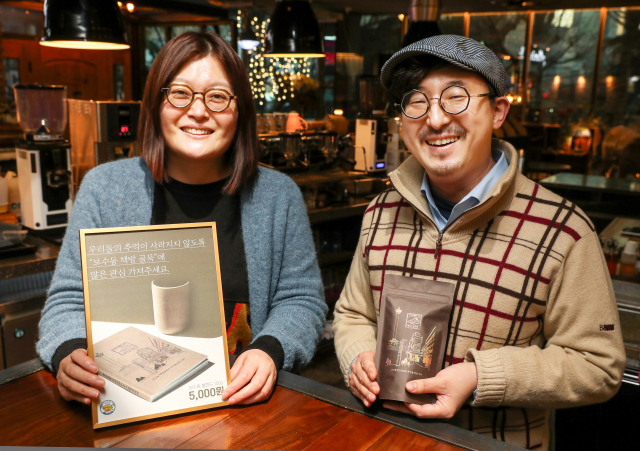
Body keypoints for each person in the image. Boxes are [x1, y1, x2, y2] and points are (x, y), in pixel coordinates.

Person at [332, 35, 625, 450]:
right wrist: (358, 357)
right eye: (416, 101)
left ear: (498, 111)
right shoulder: (380, 212)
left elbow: (598, 365)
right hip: (383, 438)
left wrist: (479, 376)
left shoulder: (564, 231)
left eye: (456, 98)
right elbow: (352, 313)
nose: (435, 119)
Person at [37, 32, 327, 407]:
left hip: (244, 407)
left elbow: (301, 300)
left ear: (240, 110)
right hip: (130, 403)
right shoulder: (105, 190)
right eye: (180, 93)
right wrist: (69, 352)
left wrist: (271, 349)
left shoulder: (277, 196)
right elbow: (67, 301)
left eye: (218, 96)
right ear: (156, 103)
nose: (198, 111)